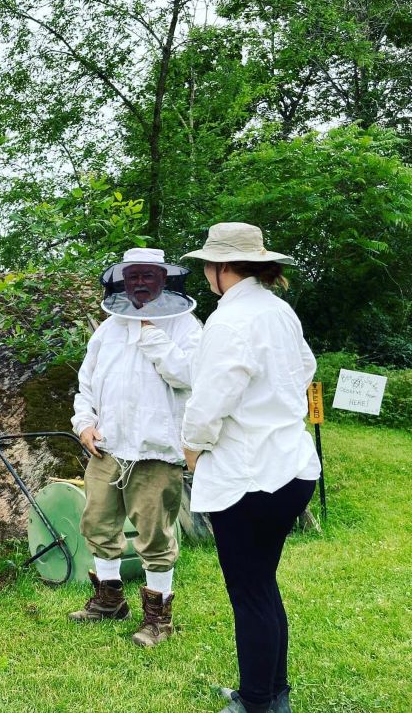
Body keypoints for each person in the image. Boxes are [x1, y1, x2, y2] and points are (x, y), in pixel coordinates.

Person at [180, 223, 320, 713]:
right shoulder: (278, 310)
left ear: (221, 268)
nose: (204, 273)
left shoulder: (229, 321)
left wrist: (193, 447)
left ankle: (258, 702)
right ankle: (270, 692)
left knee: (250, 592)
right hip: (292, 467)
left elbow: (209, 401)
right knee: (263, 585)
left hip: (250, 476)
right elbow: (306, 367)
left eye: (206, 265)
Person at [68, 247, 202, 647]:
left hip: (157, 451)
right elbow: (86, 383)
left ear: (164, 279)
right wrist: (84, 424)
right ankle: (109, 601)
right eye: (133, 276)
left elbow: (191, 376)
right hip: (107, 448)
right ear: (121, 281)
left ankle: (158, 619)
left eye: (147, 275)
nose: (140, 283)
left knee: (154, 535)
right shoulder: (107, 329)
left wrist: (151, 334)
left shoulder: (186, 326)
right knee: (98, 523)